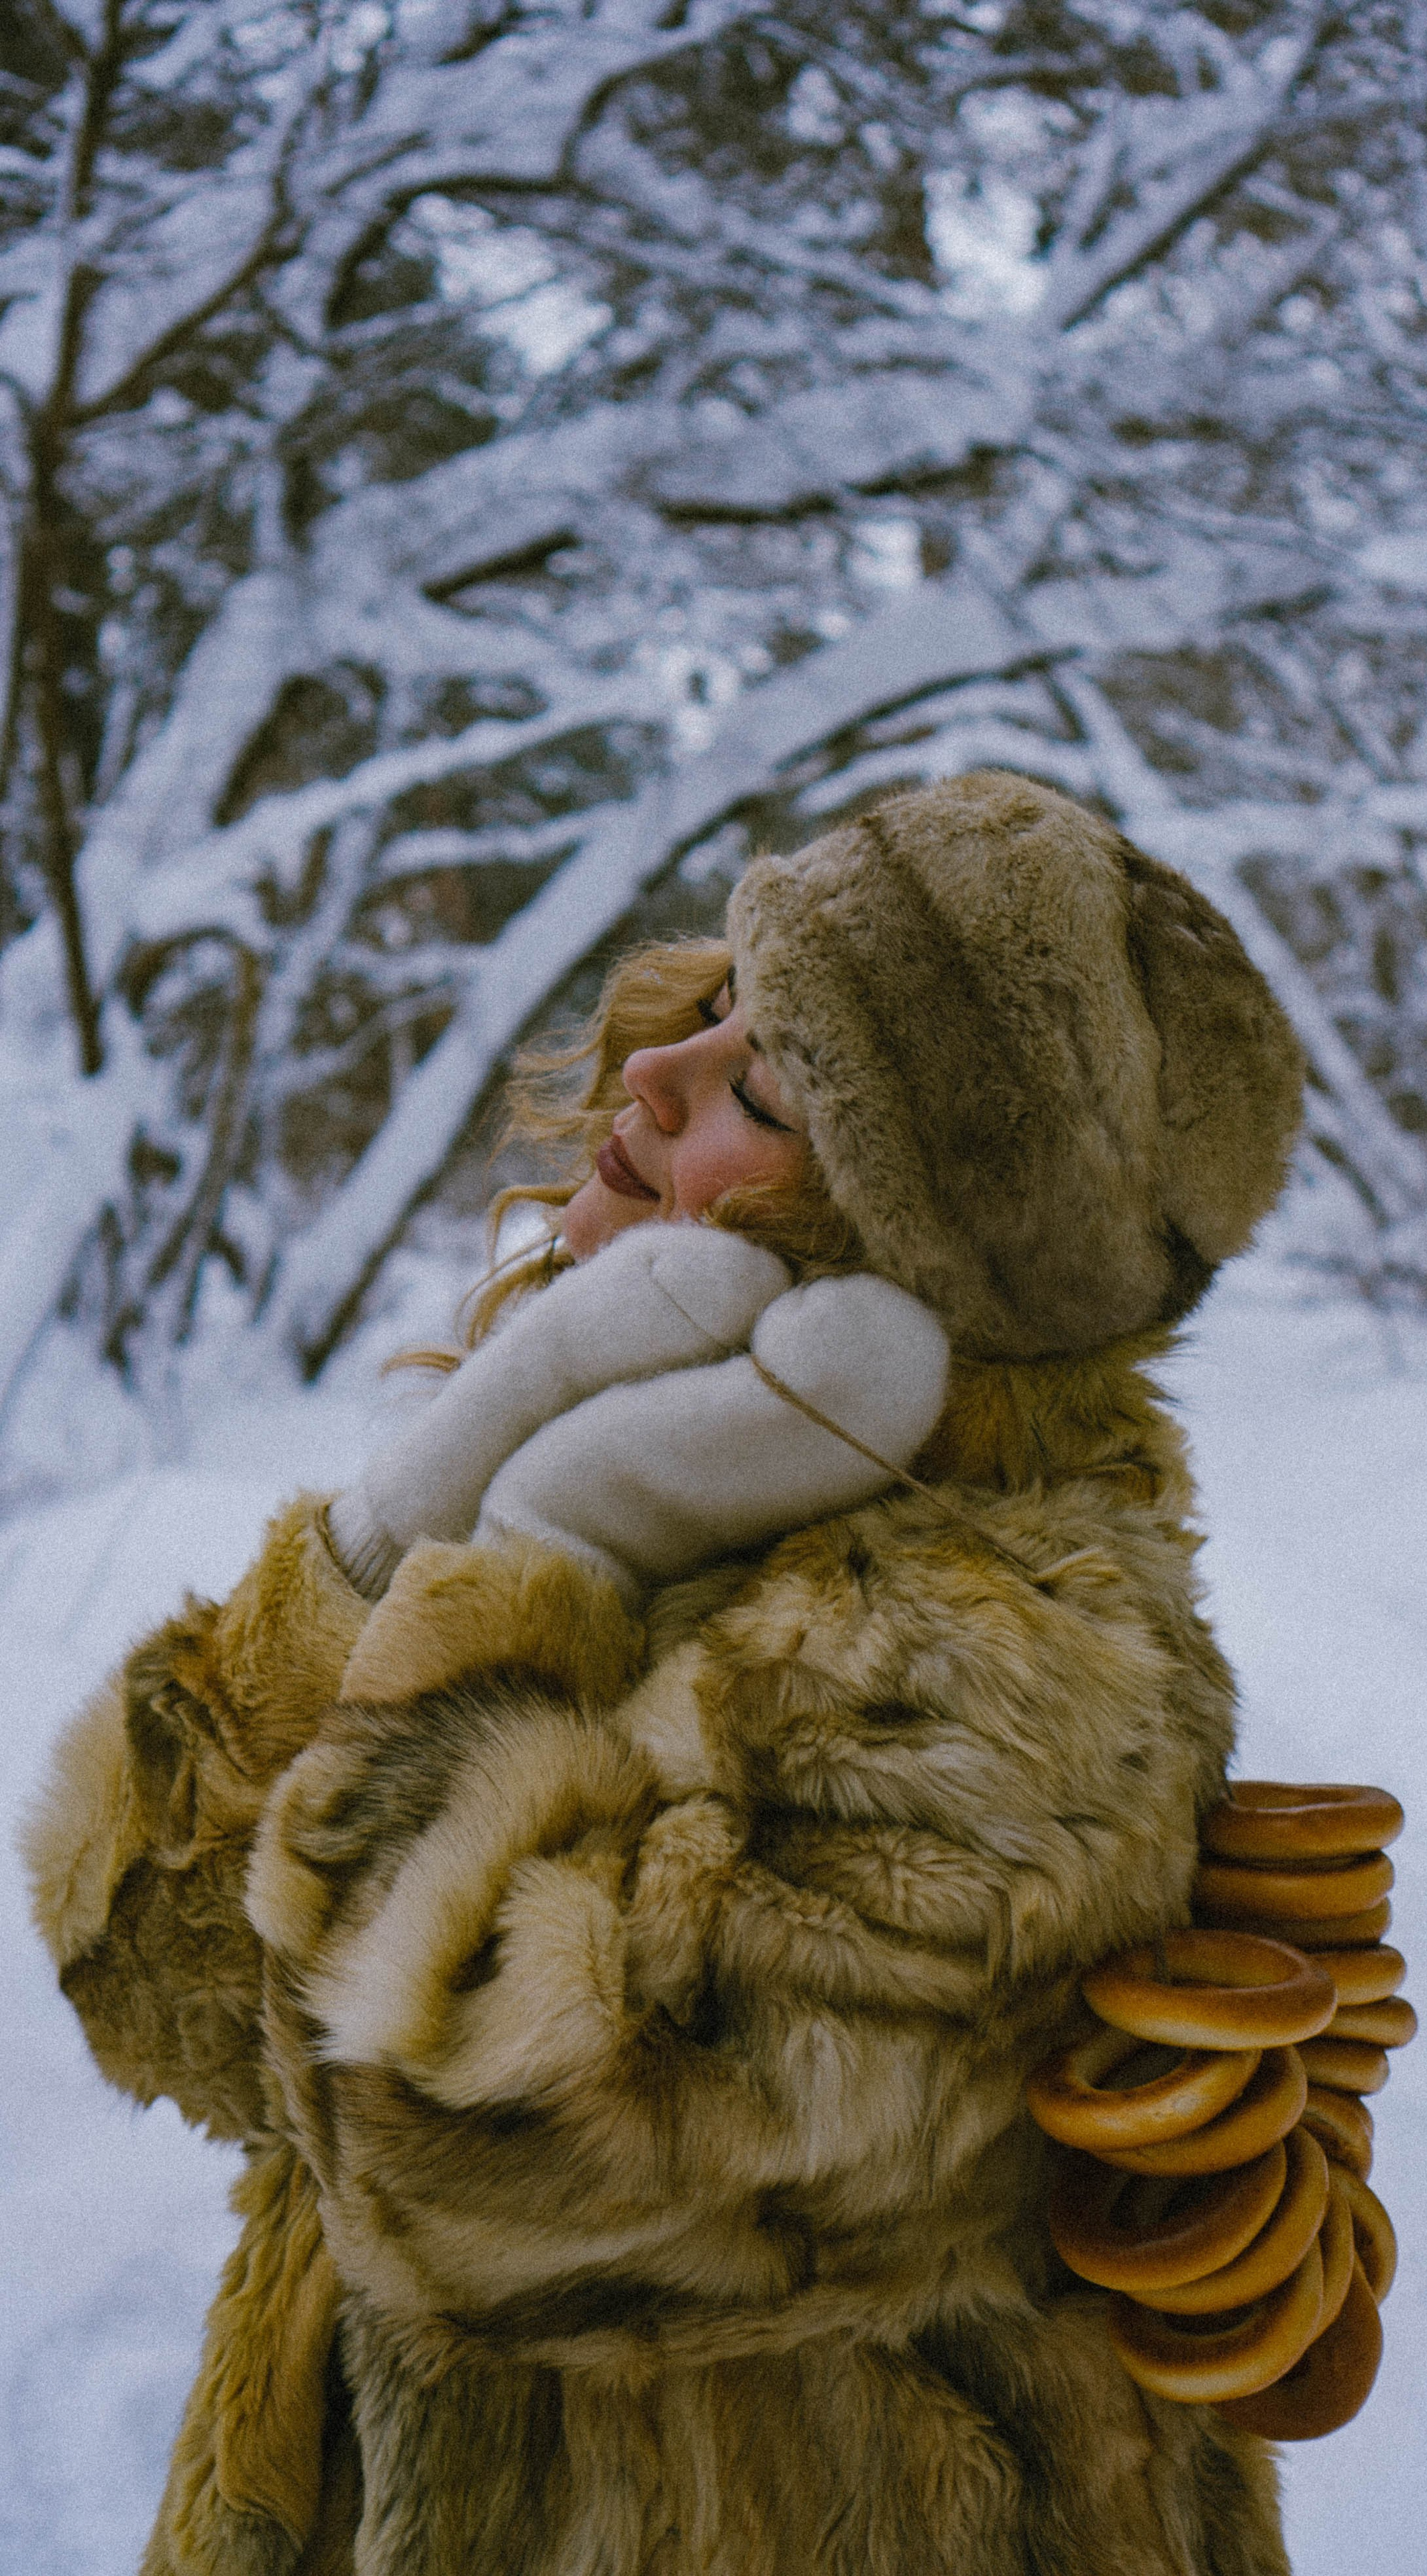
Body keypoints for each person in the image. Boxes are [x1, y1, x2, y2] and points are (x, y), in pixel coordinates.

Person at [25, 772, 1306, 2576]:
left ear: (896, 1243)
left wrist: (540, 1548)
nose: (652, 1079)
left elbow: (446, 2154)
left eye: (763, 1090)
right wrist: (412, 1517)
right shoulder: (658, 1462)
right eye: (715, 1010)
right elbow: (141, 1965)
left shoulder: (1011, 1686)